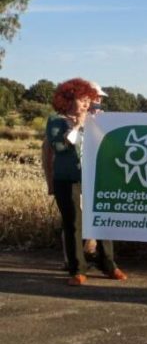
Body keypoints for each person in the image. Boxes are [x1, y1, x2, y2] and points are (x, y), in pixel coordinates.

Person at [45, 78, 127, 286]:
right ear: (68, 101)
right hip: (67, 179)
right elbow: (59, 148)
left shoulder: (96, 119)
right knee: (74, 223)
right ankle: (77, 269)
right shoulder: (56, 121)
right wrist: (78, 126)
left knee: (102, 220)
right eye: (82, 100)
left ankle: (109, 264)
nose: (86, 104)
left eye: (88, 100)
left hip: (95, 179)